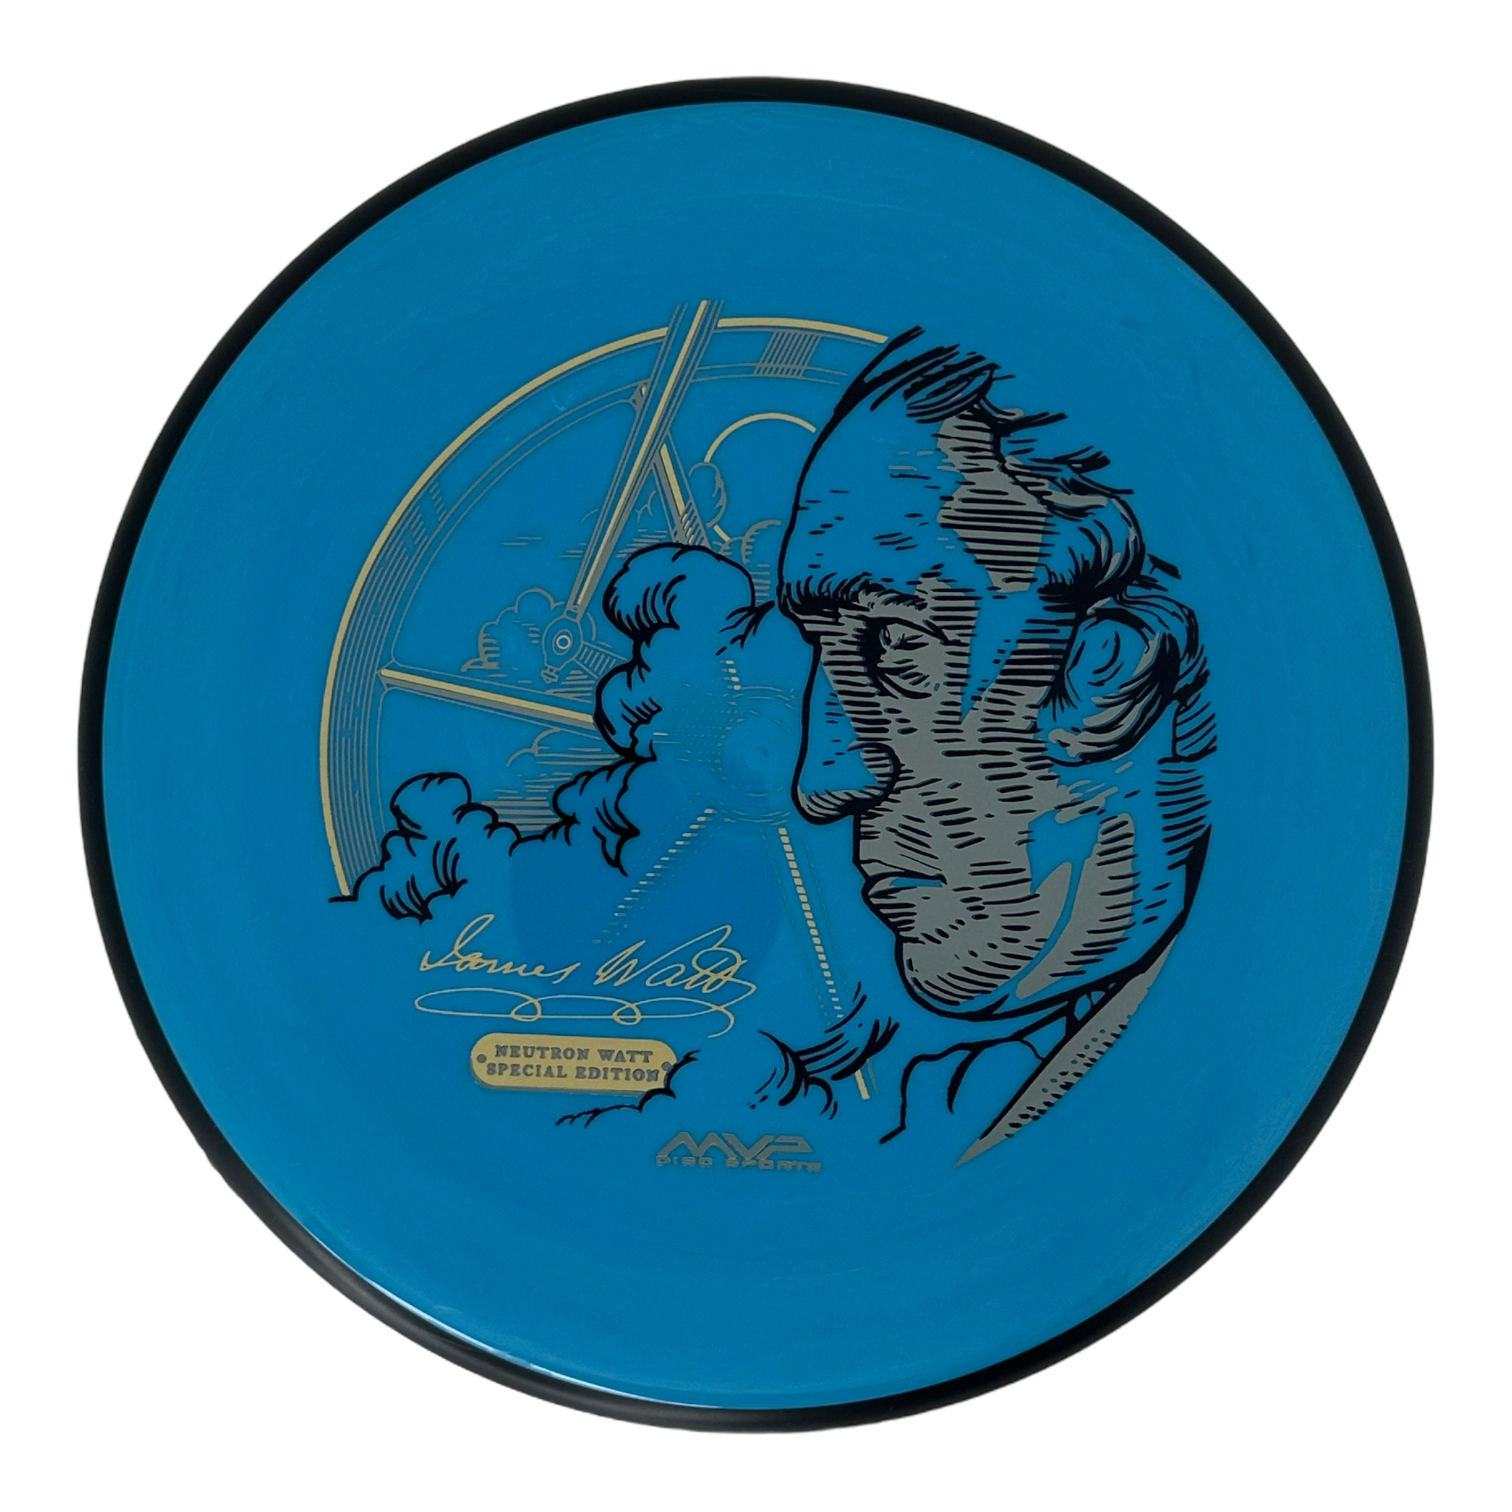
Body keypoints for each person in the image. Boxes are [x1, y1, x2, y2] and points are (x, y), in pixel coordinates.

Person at [776, 329, 1214, 1155]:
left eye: (896, 646)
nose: (823, 779)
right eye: (821, 651)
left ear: (1112, 663)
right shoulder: (977, 1105)